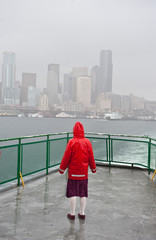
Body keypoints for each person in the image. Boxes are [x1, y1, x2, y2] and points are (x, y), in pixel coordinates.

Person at [59, 122, 96, 220]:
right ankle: (82, 213)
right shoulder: (87, 142)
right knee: (82, 194)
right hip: (83, 173)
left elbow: (66, 157)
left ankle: (72, 214)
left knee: (73, 194)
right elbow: (91, 157)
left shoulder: (71, 142)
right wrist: (93, 168)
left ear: (74, 131)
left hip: (73, 174)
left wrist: (62, 169)